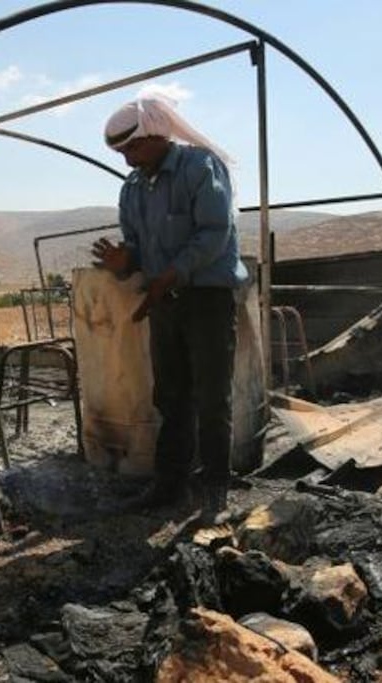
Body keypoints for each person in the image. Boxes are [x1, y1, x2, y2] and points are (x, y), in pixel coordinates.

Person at [91, 95, 247, 522]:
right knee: (171, 396)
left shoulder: (200, 167)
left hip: (206, 299)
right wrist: (127, 263)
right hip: (165, 303)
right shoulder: (134, 189)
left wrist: (170, 276)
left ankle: (216, 485)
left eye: (133, 149)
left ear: (157, 135)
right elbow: (139, 250)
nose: (127, 161)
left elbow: (214, 233)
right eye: (121, 153)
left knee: (212, 396)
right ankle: (169, 484)